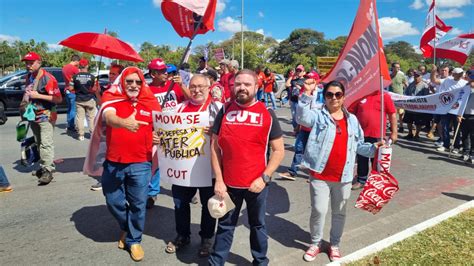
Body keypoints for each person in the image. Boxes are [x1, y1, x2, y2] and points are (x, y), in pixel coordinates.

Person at [296, 80, 383, 262]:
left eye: (338, 95)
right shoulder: (319, 115)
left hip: (343, 176)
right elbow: (301, 118)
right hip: (320, 175)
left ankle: (334, 244)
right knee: (319, 210)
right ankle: (315, 243)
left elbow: (360, 146)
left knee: (339, 212)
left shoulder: (352, 120)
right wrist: (306, 94)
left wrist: (375, 148)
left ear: (343, 97)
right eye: (329, 95)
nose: (334, 98)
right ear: (324, 97)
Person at [208, 69, 285, 265]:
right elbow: (215, 147)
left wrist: (265, 177)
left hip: (256, 185)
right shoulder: (225, 110)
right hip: (229, 185)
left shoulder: (267, 114)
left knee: (258, 226)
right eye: (238, 84)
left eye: (247, 84)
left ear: (256, 87)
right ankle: (216, 262)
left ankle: (260, 261)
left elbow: (278, 151)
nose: (241, 88)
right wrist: (219, 179)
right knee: (225, 226)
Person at [100, 67, 160, 261]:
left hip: (141, 162)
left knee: (138, 204)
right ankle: (127, 227)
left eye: (138, 82)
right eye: (129, 81)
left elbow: (162, 127)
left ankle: (134, 240)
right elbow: (108, 116)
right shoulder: (111, 97)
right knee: (113, 201)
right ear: (122, 82)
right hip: (114, 161)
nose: (134, 85)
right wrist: (123, 122)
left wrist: (158, 136)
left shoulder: (150, 102)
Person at [164, 74, 222, 257]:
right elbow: (165, 132)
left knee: (208, 206)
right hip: (183, 169)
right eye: (193, 86)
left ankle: (206, 238)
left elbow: (229, 137)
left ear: (209, 87)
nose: (196, 90)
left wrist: (215, 131)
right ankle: (182, 235)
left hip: (209, 170)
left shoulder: (219, 109)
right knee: (180, 204)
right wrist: (158, 136)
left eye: (201, 87)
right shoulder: (178, 109)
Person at [147, 58, 189, 208]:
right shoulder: (147, 90)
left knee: (180, 160)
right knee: (155, 163)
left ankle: (187, 188)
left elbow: (190, 99)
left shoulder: (175, 86)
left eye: (167, 71)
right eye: (162, 71)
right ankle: (152, 193)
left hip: (176, 131)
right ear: (153, 74)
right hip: (157, 131)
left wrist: (181, 85)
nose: (166, 74)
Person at [22, 52, 62, 185]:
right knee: (39, 143)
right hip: (33, 114)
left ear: (39, 62)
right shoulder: (29, 76)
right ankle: (45, 165)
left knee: (46, 143)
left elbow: (58, 99)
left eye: (31, 62)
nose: (28, 65)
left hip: (47, 114)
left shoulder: (48, 78)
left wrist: (38, 95)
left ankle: (47, 170)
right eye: (27, 63)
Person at [349, 91, 397, 190]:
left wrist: (394, 132)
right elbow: (351, 113)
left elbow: (392, 114)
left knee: (377, 160)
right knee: (362, 158)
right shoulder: (360, 94)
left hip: (378, 135)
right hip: (361, 135)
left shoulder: (385, 96)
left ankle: (377, 181)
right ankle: (361, 180)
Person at [279, 71, 323, 181]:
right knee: (299, 148)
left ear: (316, 81)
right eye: (307, 78)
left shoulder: (322, 93)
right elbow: (301, 111)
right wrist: (298, 126)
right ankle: (293, 172)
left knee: (314, 152)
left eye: (311, 79)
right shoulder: (303, 91)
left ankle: (314, 174)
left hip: (316, 128)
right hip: (304, 128)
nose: (307, 81)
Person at [90, 63, 124, 192]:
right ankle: (106, 180)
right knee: (105, 154)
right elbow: (102, 105)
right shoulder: (109, 88)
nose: (110, 76)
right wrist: (98, 93)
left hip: (118, 129)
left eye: (113, 74)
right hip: (106, 128)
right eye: (110, 73)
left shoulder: (122, 90)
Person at [436, 67, 467, 152]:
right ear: (453, 74)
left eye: (461, 74)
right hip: (446, 108)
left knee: (457, 128)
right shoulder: (447, 80)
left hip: (457, 110)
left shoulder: (465, 83)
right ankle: (446, 145)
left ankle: (456, 146)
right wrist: (433, 71)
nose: (460, 75)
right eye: (458, 73)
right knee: (445, 127)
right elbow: (435, 81)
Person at [70, 58, 97, 141]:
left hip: (79, 100)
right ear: (87, 66)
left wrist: (76, 89)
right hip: (90, 99)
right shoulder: (92, 77)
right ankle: (92, 134)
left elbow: (70, 88)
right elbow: (95, 89)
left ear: (79, 66)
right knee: (91, 118)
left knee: (80, 118)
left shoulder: (74, 77)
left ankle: (81, 135)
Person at [403, 71, 430, 140]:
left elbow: (426, 97)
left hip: (419, 108)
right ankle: (410, 133)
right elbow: (406, 93)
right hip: (410, 107)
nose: (416, 78)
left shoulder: (425, 85)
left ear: (421, 77)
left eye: (418, 76)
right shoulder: (411, 84)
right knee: (409, 121)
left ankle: (417, 135)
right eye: (415, 76)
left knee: (418, 123)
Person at [62, 54, 80, 134]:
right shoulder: (74, 69)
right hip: (73, 91)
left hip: (66, 90)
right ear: (76, 61)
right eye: (78, 62)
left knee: (69, 109)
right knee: (73, 109)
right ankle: (71, 126)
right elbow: (79, 79)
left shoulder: (64, 67)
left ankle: (69, 125)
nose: (78, 64)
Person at [459, 69, 474, 163]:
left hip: (473, 114)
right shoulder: (465, 86)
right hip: (464, 114)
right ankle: (465, 152)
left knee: (473, 135)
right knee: (464, 135)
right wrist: (459, 113)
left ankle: (472, 154)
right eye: (469, 76)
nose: (469, 79)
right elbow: (460, 100)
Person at [287, 64, 306, 135]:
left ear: (303, 71)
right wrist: (292, 76)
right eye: (297, 70)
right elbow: (287, 84)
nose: (298, 72)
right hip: (293, 100)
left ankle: (297, 131)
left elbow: (307, 90)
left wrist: (300, 88)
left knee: (299, 117)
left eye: (300, 70)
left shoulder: (305, 80)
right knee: (294, 117)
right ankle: (296, 129)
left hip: (300, 101)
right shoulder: (294, 80)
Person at [389, 62, 408, 133]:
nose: (398, 69)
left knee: (400, 113)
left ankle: (401, 126)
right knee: (392, 113)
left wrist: (406, 93)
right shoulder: (389, 76)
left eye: (399, 67)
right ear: (392, 68)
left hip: (400, 97)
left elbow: (406, 84)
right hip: (392, 97)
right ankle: (393, 127)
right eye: (396, 67)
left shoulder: (401, 75)